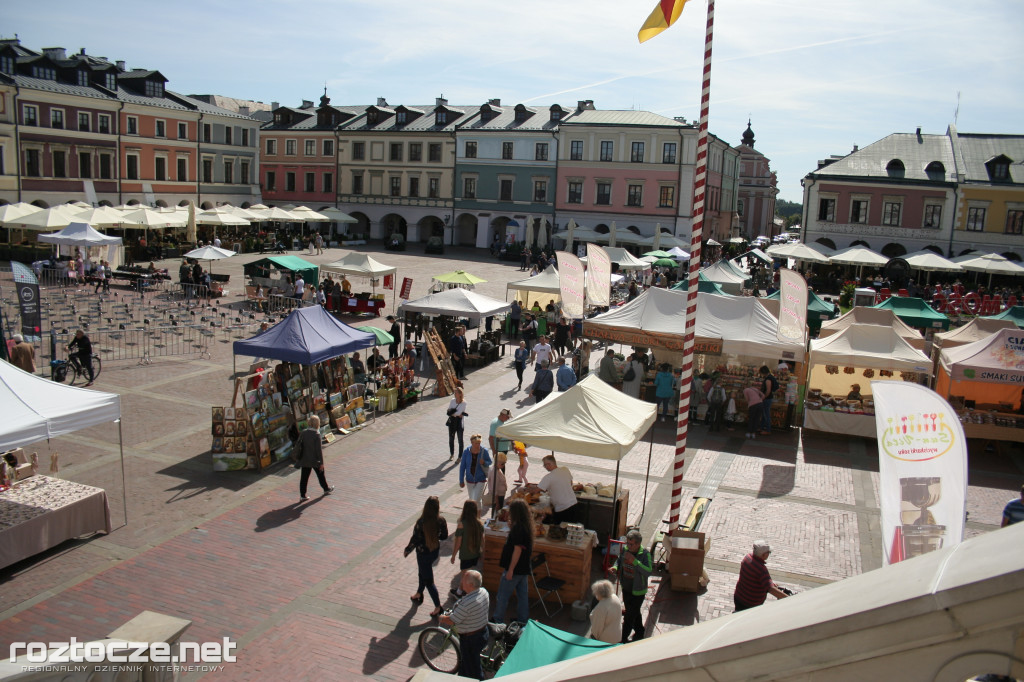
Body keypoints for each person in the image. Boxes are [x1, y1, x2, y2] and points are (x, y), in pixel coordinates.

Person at [440, 569, 489, 680]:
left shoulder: (468, 603)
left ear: (470, 585)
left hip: (471, 639)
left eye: (464, 580)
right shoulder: (484, 592)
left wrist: (442, 618)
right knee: (466, 663)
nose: (461, 582)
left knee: (474, 670)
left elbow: (453, 620)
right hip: (483, 631)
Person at [405, 496, 449, 618]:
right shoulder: (441, 520)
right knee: (423, 572)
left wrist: (408, 549)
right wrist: (435, 536)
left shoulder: (421, 522)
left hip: (422, 552)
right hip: (434, 551)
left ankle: (438, 606)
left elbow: (415, 538)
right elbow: (444, 536)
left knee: (429, 581)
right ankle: (419, 593)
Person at [491, 499, 533, 625]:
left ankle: (497, 619)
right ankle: (522, 620)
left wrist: (510, 570)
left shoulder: (518, 529)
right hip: (523, 568)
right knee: (522, 596)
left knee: (502, 596)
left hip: (515, 569)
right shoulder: (525, 526)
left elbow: (517, 550)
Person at [609, 529, 653, 643]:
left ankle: (622, 639)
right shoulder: (625, 550)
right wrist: (615, 567)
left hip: (638, 592)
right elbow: (619, 561)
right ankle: (640, 632)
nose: (628, 546)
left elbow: (648, 571)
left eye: (631, 544)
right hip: (626, 588)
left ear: (638, 544)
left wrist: (635, 562)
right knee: (634, 612)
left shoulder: (645, 555)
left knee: (628, 617)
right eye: (627, 543)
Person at [733, 540, 788, 611]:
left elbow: (754, 579)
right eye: (769, 552)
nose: (769, 554)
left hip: (739, 597)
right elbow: (771, 589)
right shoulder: (761, 569)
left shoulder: (747, 557)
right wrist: (788, 598)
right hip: (750, 604)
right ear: (763, 555)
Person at [294, 415, 334, 501]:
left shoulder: (304, 432)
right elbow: (318, 451)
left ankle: (302, 495)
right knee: (321, 474)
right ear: (317, 423)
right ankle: (326, 488)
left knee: (304, 478)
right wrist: (321, 463)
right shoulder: (316, 434)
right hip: (314, 460)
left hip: (304, 459)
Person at [450, 500, 485, 595]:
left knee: (465, 576)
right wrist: (482, 553)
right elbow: (482, 540)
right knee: (469, 574)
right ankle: (460, 591)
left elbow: (458, 542)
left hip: (465, 554)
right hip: (475, 553)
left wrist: (453, 555)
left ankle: (461, 593)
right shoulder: (479, 524)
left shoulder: (462, 524)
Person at [535, 454, 577, 523]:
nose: (546, 467)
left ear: (551, 464)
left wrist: (525, 489)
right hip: (573, 504)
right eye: (544, 465)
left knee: (560, 530)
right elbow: (570, 483)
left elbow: (536, 490)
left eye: (546, 464)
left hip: (562, 508)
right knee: (571, 528)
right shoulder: (565, 469)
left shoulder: (548, 477)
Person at [459, 434, 492, 507]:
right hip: (469, 479)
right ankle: (477, 516)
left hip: (480, 479)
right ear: (472, 443)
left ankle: (472, 515)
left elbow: (490, 462)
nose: (478, 445)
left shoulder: (484, 451)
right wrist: (461, 480)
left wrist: (484, 462)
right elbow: (462, 467)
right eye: (476, 443)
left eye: (479, 443)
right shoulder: (466, 452)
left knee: (475, 499)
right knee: (473, 499)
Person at [589, 579, 623, 644]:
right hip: (617, 635)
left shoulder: (601, 607)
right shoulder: (615, 597)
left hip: (605, 640)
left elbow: (597, 628)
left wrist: (593, 637)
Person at [447, 387, 468, 462]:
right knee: (451, 439)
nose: (454, 394)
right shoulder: (452, 401)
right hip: (452, 422)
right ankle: (452, 454)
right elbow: (449, 410)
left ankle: (460, 457)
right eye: (454, 392)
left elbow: (459, 413)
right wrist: (455, 413)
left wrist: (453, 413)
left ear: (460, 394)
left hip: (459, 423)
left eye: (456, 393)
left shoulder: (464, 402)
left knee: (460, 440)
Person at [758, 365, 779, 436]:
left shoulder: (768, 379)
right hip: (768, 398)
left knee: (766, 414)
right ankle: (762, 427)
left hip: (767, 399)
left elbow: (768, 391)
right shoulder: (770, 377)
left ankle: (768, 430)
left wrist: (763, 398)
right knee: (764, 414)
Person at [487, 452, 508, 519]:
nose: (503, 465)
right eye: (502, 463)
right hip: (498, 497)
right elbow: (494, 488)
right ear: (497, 462)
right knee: (496, 515)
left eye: (504, 463)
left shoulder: (497, 469)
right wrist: (497, 502)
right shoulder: (494, 472)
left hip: (500, 495)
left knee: (497, 514)